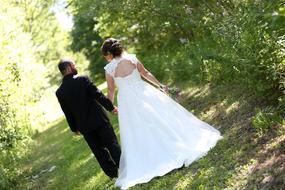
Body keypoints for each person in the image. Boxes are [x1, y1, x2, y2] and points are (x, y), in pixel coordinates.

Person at [101, 38, 223, 189]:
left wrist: (110, 106)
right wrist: (159, 85)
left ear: (109, 54)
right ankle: (174, 146)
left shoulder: (110, 68)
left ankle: (153, 158)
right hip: (144, 92)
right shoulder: (132, 58)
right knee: (160, 119)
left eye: (105, 55)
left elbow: (111, 90)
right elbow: (145, 73)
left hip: (128, 101)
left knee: (138, 129)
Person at [55, 58, 121, 178]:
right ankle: (124, 168)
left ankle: (113, 174)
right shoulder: (82, 79)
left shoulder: (60, 91)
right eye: (74, 65)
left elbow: (67, 112)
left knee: (99, 151)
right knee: (112, 144)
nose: (76, 66)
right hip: (99, 120)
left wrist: (74, 128)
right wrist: (110, 107)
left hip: (84, 125)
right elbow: (98, 94)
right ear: (69, 68)